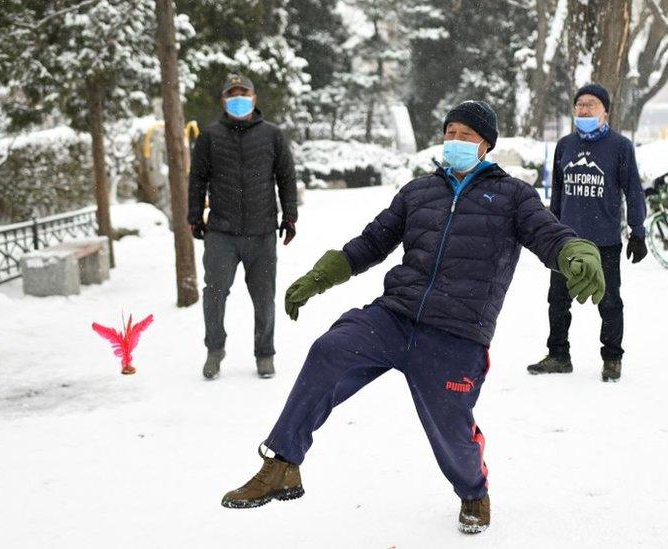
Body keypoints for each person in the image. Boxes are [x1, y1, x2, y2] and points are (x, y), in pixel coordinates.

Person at [219, 101, 606, 534]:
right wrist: (320, 276)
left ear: (486, 144)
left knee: (452, 432)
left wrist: (575, 250)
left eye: (466, 135)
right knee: (330, 350)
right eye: (450, 132)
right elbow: (372, 241)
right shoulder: (419, 191)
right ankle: (283, 464)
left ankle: (473, 491)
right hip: (395, 316)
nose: (455, 141)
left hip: (457, 333)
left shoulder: (513, 196)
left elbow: (546, 232)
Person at [527, 83, 647, 382]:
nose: (583, 110)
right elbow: (558, 192)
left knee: (609, 302)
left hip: (604, 240)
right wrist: (548, 230)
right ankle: (558, 355)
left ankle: (612, 358)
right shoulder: (565, 146)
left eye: (590, 105)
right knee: (557, 300)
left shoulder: (620, 147)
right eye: (579, 105)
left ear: (605, 111)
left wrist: (638, 230)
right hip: (566, 241)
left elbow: (633, 191)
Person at [187, 72, 299, 380]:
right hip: (221, 232)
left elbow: (286, 178)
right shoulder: (209, 137)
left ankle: (265, 353)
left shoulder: (273, 135)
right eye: (232, 94)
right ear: (224, 100)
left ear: (254, 98)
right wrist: (194, 216)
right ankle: (215, 349)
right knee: (214, 294)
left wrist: (290, 217)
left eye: (243, 93)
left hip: (262, 232)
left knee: (264, 297)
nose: (238, 98)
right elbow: (197, 179)